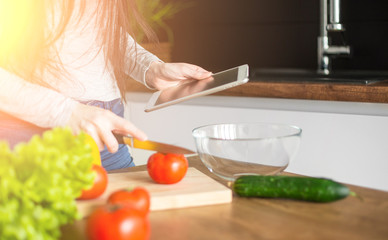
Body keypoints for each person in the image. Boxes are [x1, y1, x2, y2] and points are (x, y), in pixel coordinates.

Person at [0, 0, 212, 170]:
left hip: (106, 128)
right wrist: (67, 112)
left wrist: (150, 68)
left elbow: (99, 29)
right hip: (31, 130)